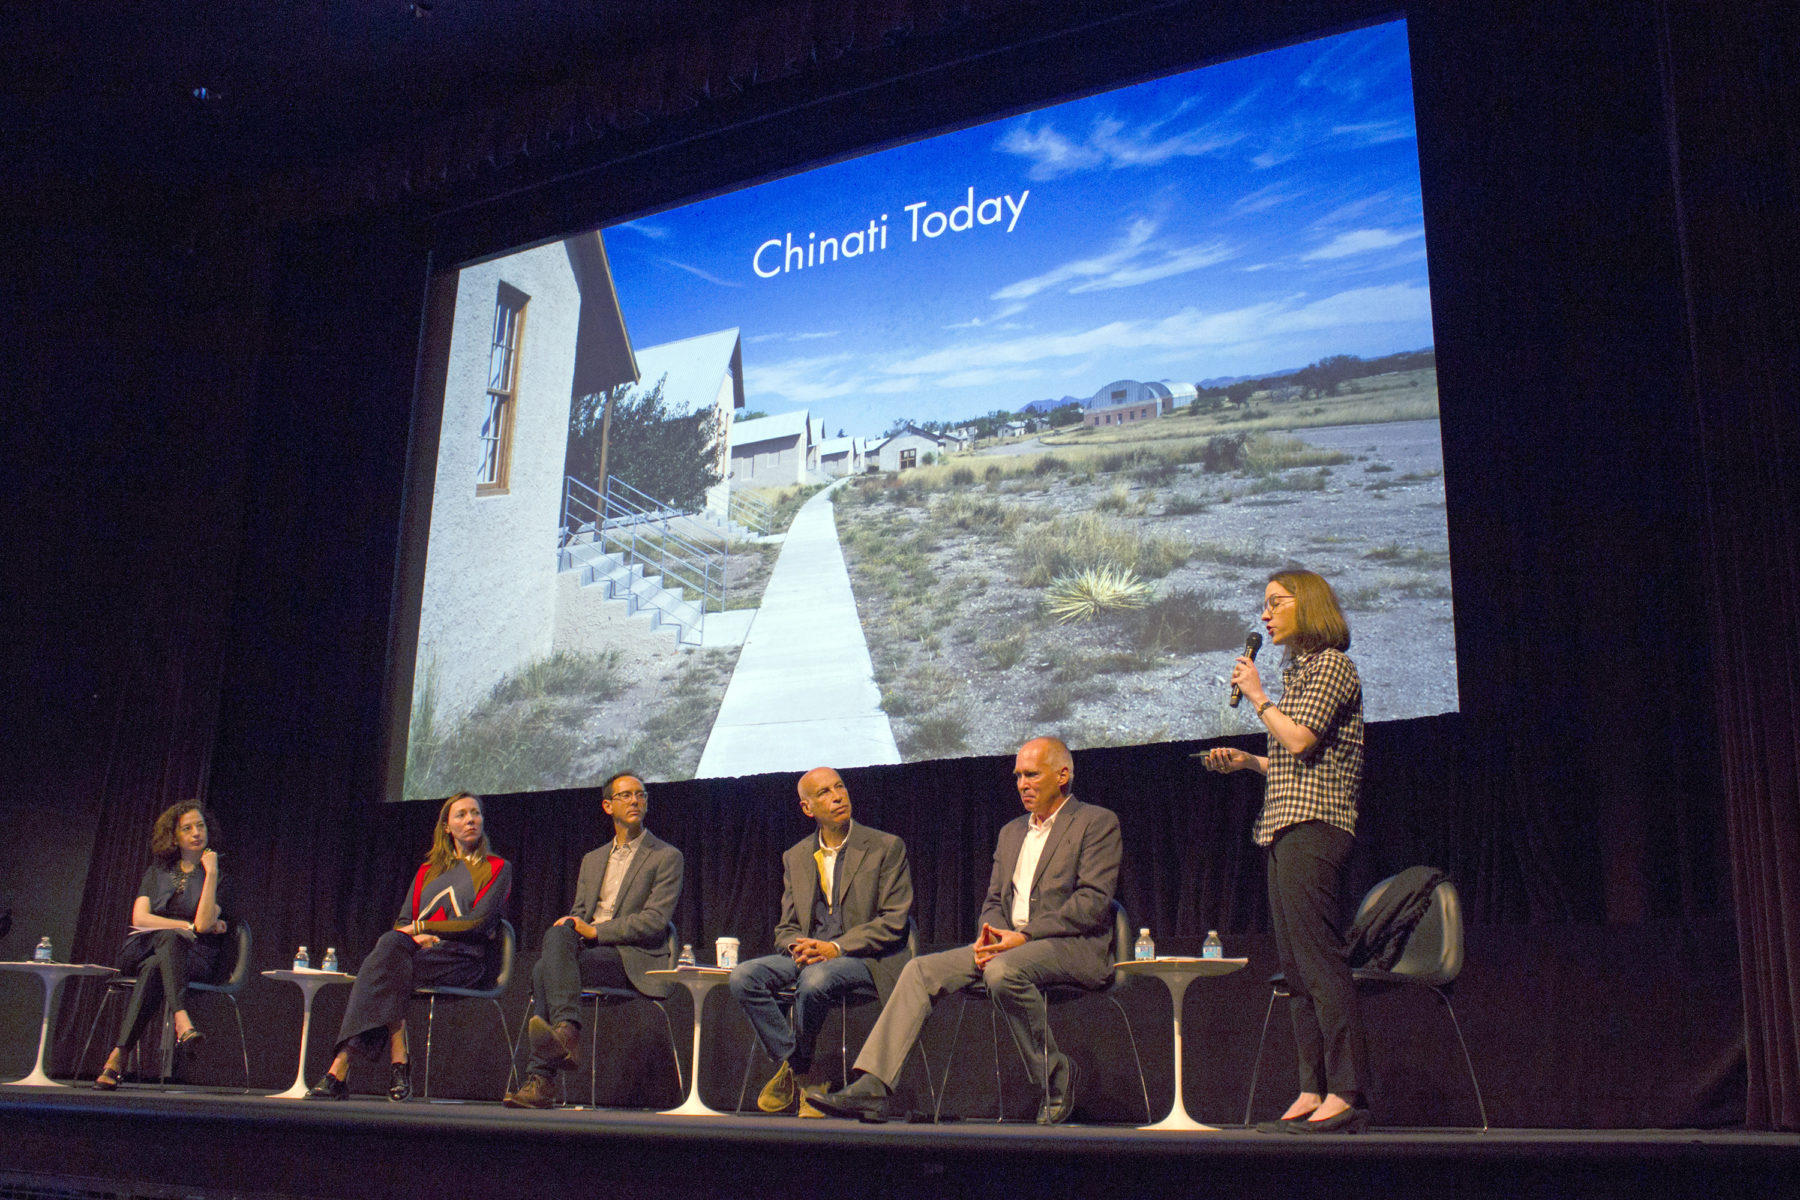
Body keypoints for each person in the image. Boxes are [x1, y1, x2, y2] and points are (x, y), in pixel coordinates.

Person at [810, 737, 1120, 1126]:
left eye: (1032, 774)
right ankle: (873, 1086)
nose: (1022, 783)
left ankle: (1056, 1076)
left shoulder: (1096, 822)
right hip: (1010, 947)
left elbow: (1091, 903)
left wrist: (1021, 938)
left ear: (1063, 775)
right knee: (920, 970)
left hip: (1072, 947)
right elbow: (994, 900)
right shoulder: (1011, 832)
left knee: (1003, 971)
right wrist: (991, 936)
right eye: (1018, 776)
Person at [1203, 568, 1370, 1134]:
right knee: (1295, 970)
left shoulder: (1331, 667)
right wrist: (1250, 763)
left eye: (1277, 604)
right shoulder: (1298, 673)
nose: (1266, 615)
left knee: (1320, 961)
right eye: (1264, 605)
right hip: (1283, 825)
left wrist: (1257, 697)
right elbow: (1297, 762)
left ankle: (1347, 1091)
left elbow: (1300, 739)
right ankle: (1310, 1086)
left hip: (1317, 828)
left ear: (1310, 606)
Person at [728, 767, 913, 1116]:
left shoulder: (885, 846)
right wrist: (800, 948)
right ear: (807, 808)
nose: (838, 796)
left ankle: (796, 1069)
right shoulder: (795, 856)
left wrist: (835, 948)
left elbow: (893, 921)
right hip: (811, 957)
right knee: (743, 977)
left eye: (839, 787)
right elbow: (785, 928)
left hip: (867, 959)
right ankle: (801, 1069)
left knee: (815, 981)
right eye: (825, 792)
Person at [306, 791, 512, 1102]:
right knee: (390, 947)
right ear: (446, 826)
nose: (470, 820)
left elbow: (477, 923)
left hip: (464, 960)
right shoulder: (427, 872)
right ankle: (391, 1064)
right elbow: (403, 921)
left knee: (382, 966)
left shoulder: (498, 867)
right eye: (461, 815)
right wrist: (412, 934)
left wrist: (422, 928)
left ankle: (349, 1066)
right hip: (418, 957)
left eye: (475, 813)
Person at [503, 771, 683, 1109]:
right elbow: (580, 911)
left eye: (640, 795)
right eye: (626, 795)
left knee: (544, 971)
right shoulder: (593, 859)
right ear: (607, 805)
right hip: (590, 952)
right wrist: (575, 924)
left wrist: (597, 931)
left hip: (632, 956)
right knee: (557, 934)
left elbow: (656, 921)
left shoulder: (665, 856)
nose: (634, 801)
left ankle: (545, 1072)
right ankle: (565, 1033)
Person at [93, 801, 229, 1090]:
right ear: (175, 836)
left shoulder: (219, 875)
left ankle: (117, 1057)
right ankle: (182, 1019)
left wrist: (212, 873)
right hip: (144, 948)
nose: (196, 833)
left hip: (194, 956)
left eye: (200, 826)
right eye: (187, 828)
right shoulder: (156, 872)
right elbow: (140, 918)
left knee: (157, 965)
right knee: (166, 943)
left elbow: (204, 924)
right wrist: (183, 926)